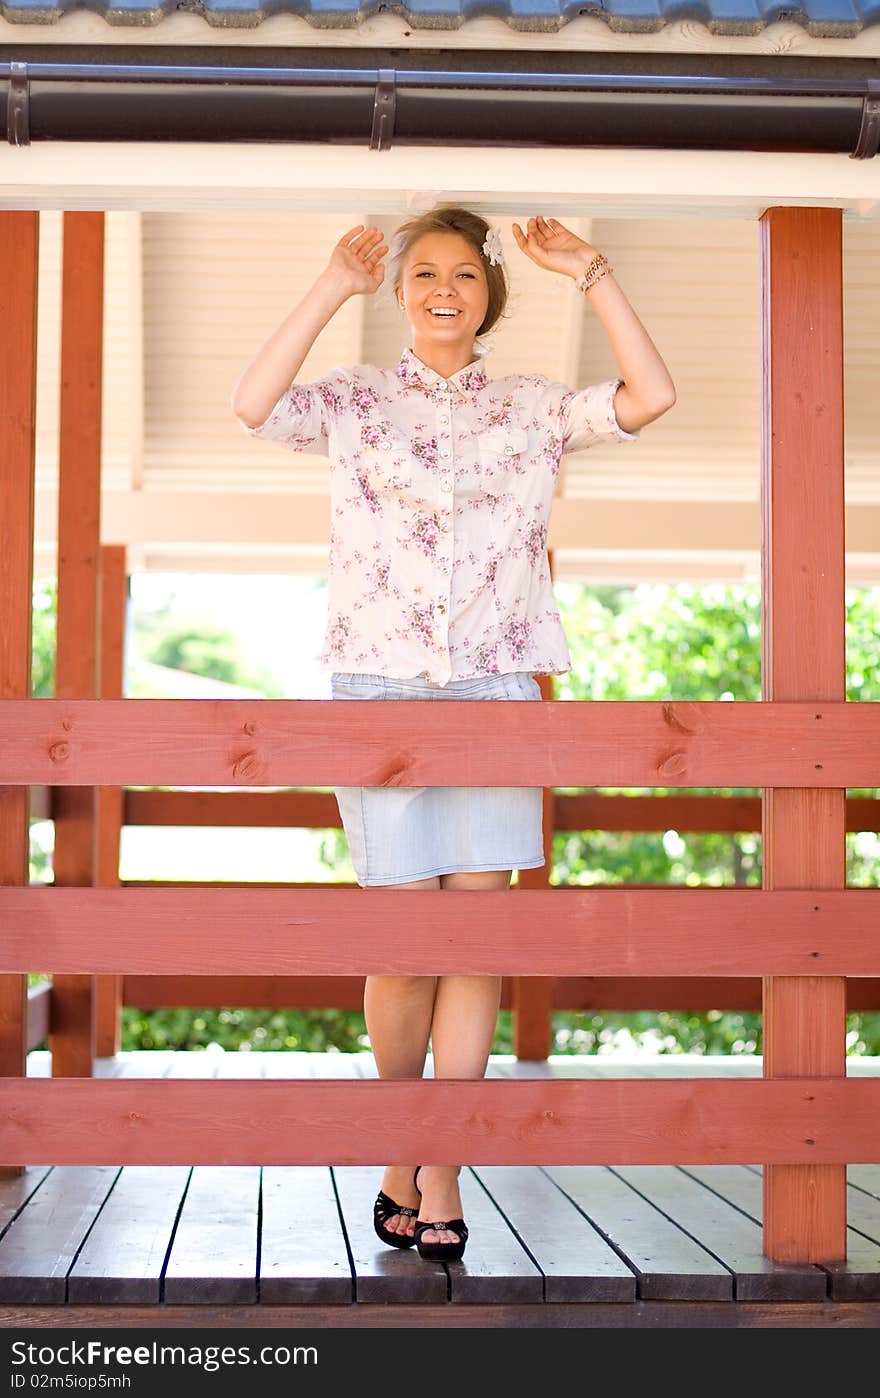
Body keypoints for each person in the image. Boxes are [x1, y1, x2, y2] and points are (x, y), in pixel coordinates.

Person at [232, 206, 675, 1263]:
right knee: (401, 945)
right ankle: (400, 1142)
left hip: (496, 688)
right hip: (376, 685)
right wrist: (331, 283)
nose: (443, 289)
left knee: (477, 941)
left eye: (464, 276)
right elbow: (252, 403)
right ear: (401, 292)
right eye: (424, 272)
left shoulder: (529, 407)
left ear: (490, 295)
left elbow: (649, 396)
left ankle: (444, 1166)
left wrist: (595, 272)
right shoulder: (354, 402)